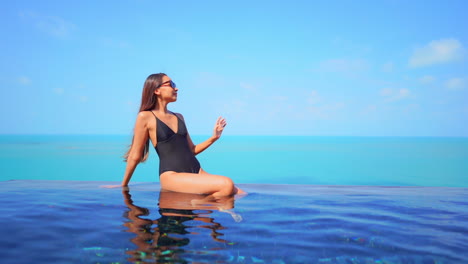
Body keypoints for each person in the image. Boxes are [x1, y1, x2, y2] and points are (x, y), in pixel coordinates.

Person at [106, 73, 245, 197]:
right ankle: (200, 205)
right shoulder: (145, 117)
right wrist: (124, 184)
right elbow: (135, 155)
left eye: (175, 85)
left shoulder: (179, 117)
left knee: (241, 193)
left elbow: (191, 150)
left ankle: (202, 206)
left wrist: (214, 138)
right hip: (172, 176)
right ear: (156, 90)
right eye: (171, 84)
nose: (176, 88)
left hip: (196, 170)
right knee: (226, 184)